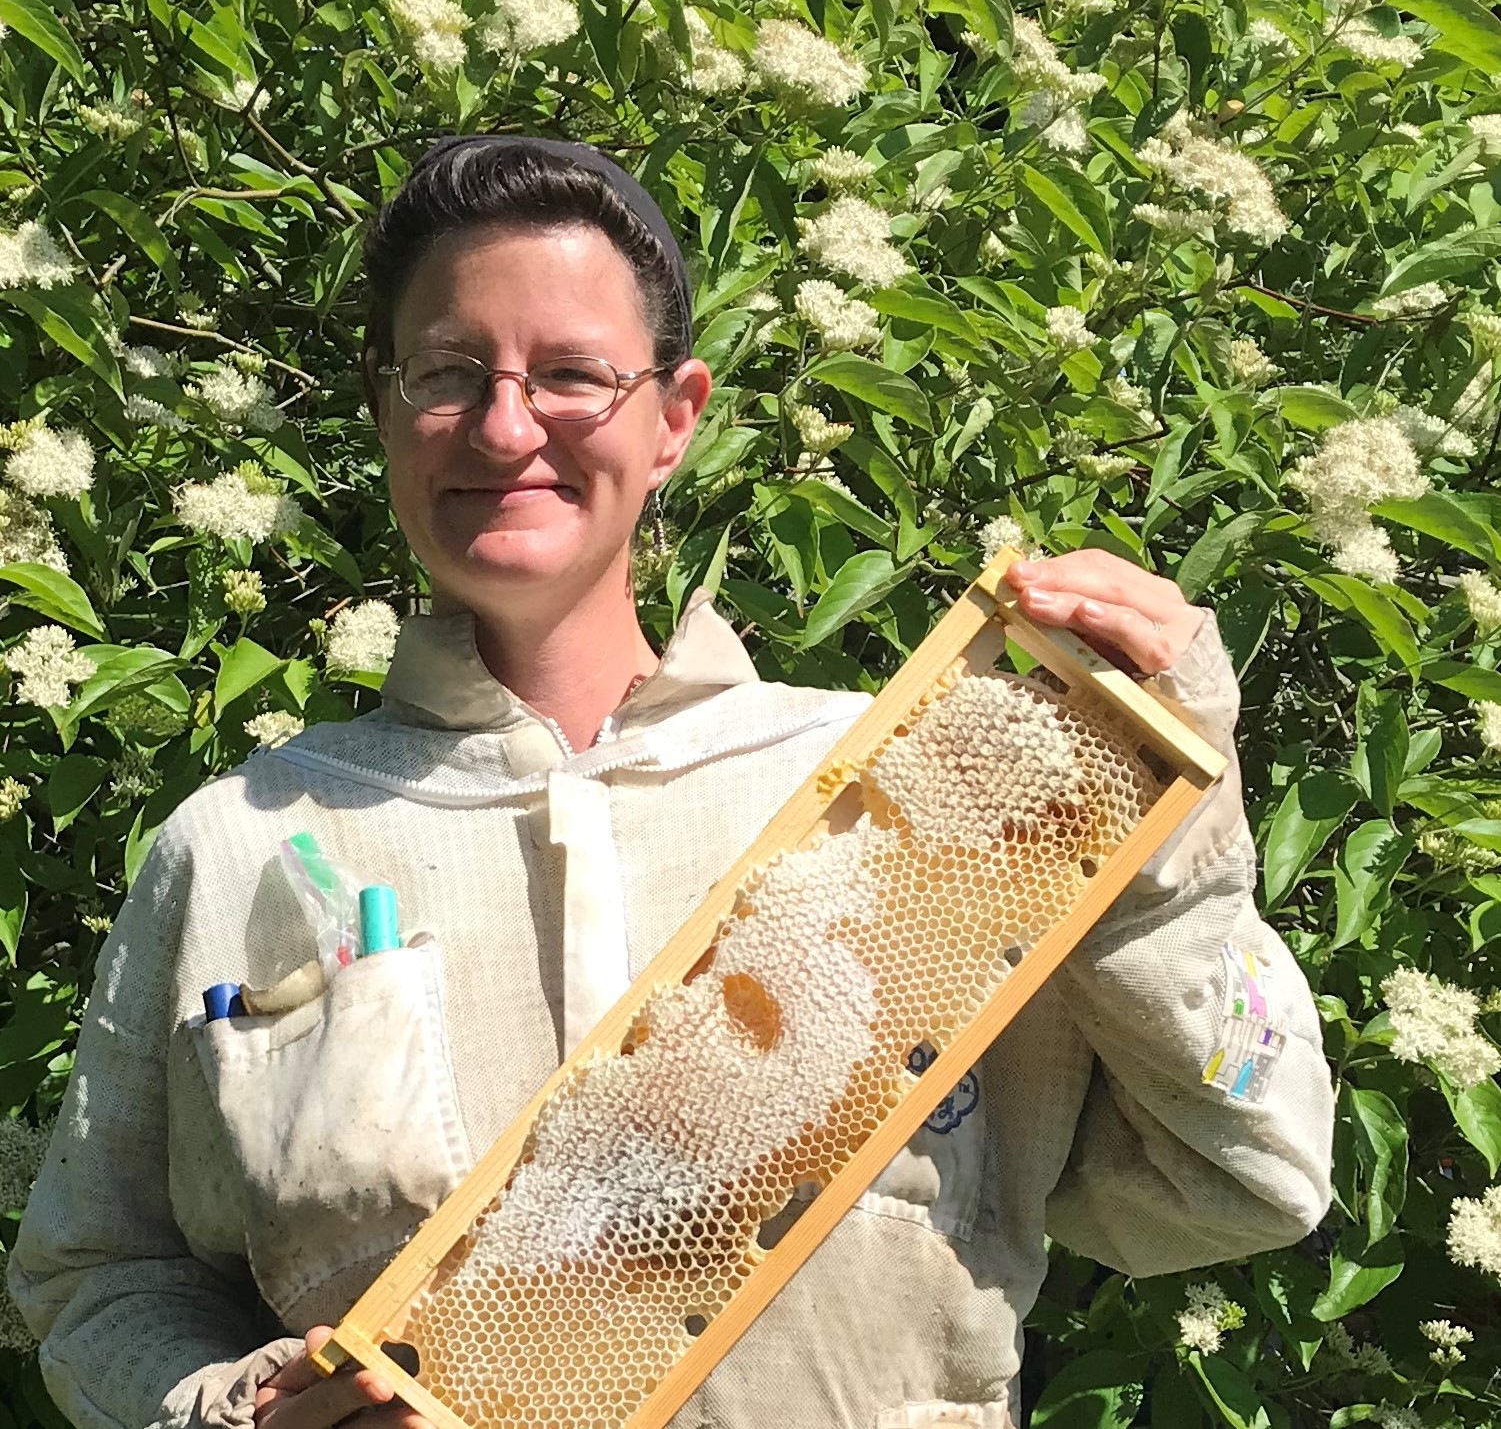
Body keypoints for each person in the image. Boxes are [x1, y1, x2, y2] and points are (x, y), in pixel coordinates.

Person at [10, 136, 1335, 1429]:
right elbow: (92, 1279)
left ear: (674, 420)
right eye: (448, 369)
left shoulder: (922, 793)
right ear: (383, 408)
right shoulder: (236, 841)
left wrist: (1165, 832)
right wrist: (229, 1412)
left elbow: (1250, 1173)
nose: (506, 421)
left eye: (574, 373)